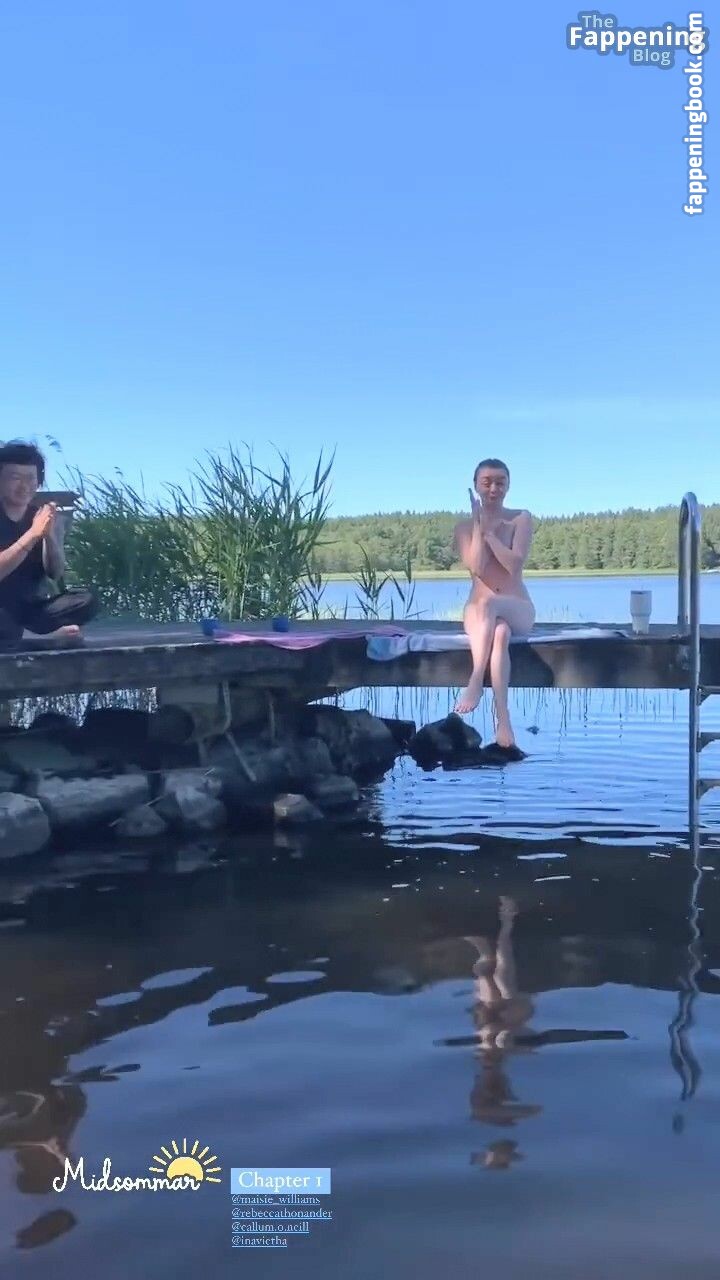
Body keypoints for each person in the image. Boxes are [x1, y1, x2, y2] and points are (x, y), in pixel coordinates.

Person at [453, 458, 535, 746]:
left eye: (500, 482)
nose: (493, 488)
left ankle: (475, 679)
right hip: (478, 613)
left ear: (508, 486)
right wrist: (479, 528)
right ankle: (504, 721)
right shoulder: (463, 528)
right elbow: (476, 566)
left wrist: (492, 535)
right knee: (499, 633)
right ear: (476, 485)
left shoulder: (520, 518)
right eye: (487, 482)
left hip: (517, 607)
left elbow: (513, 565)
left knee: (492, 606)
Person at [0, 442, 97, 647]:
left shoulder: (41, 516)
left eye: (31, 478)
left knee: (86, 601)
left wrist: (50, 536)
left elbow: (55, 572)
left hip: (29, 610)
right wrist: (33, 534)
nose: (24, 486)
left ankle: (28, 638)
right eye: (15, 478)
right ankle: (39, 640)